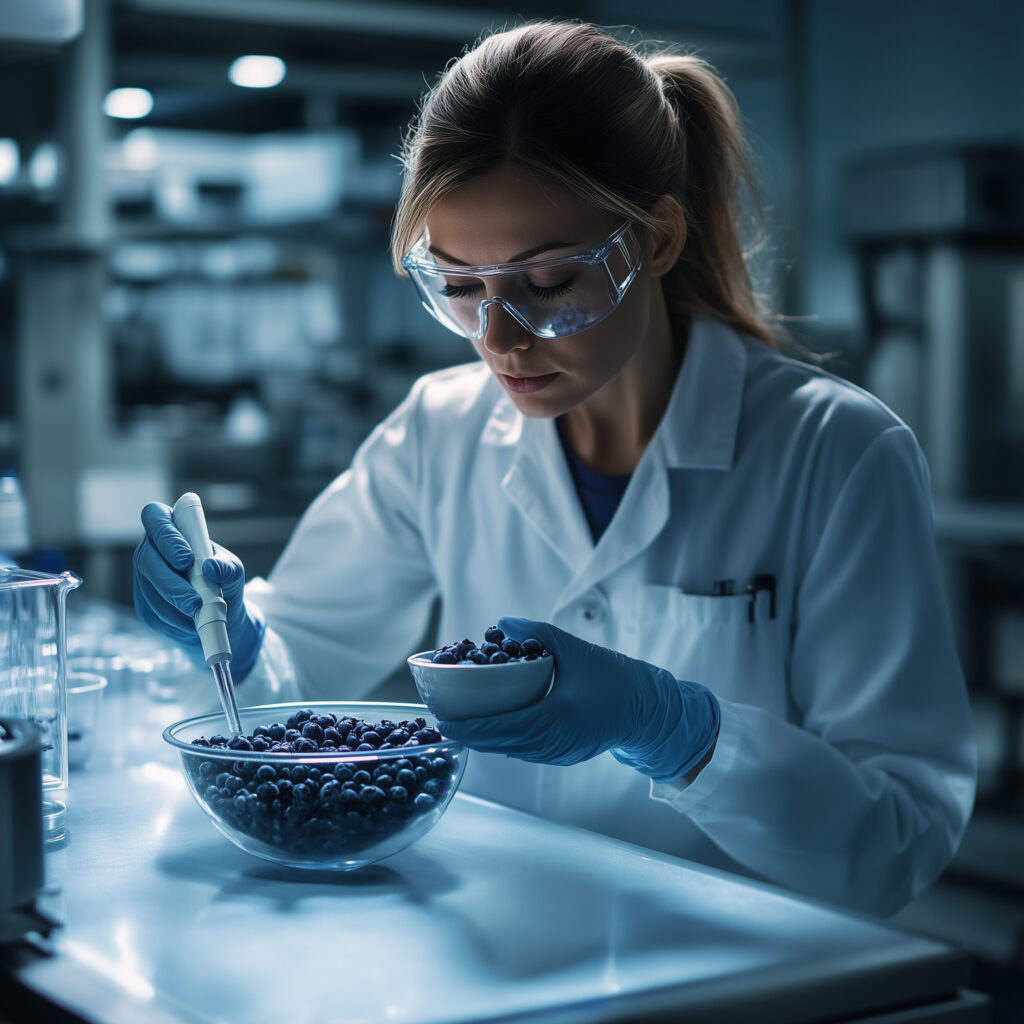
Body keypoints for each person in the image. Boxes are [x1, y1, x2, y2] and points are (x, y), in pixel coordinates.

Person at [134, 20, 976, 917]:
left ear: (654, 240)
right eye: (459, 287)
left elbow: (900, 839)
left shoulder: (834, 454)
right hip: (496, 948)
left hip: (736, 970)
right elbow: (296, 678)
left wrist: (678, 731)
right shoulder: (438, 432)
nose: (497, 339)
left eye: (546, 283)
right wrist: (236, 633)